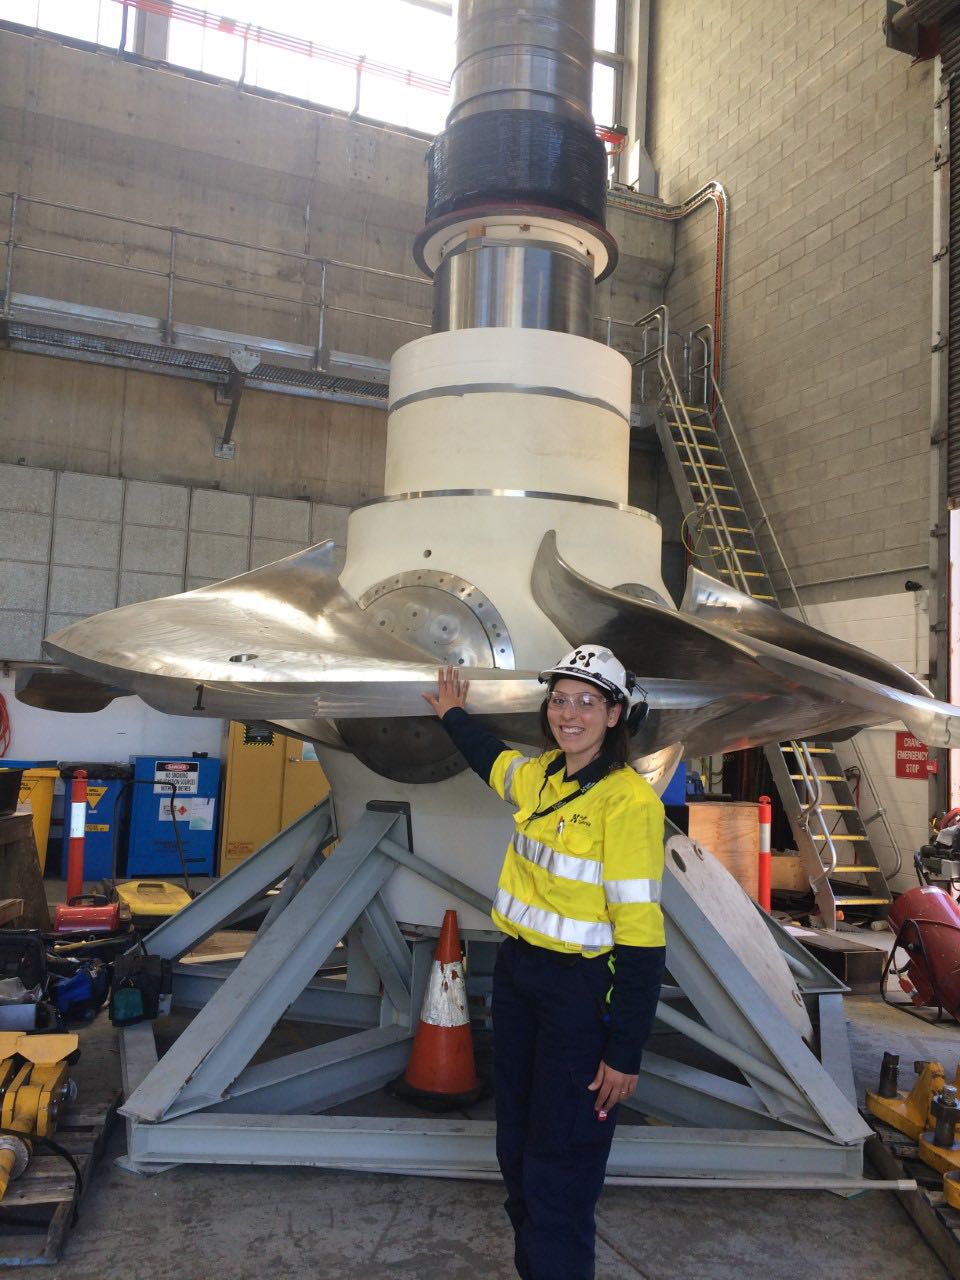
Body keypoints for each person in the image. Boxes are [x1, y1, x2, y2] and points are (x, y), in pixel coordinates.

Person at [423, 644, 666, 1280]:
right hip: (520, 977)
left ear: (615, 714)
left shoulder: (629, 804)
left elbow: (641, 936)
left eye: (587, 701)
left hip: (580, 995)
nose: (570, 713)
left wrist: (626, 1050)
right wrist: (453, 715)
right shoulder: (542, 777)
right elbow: (491, 763)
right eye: (560, 700)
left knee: (562, 1160)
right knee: (518, 1147)